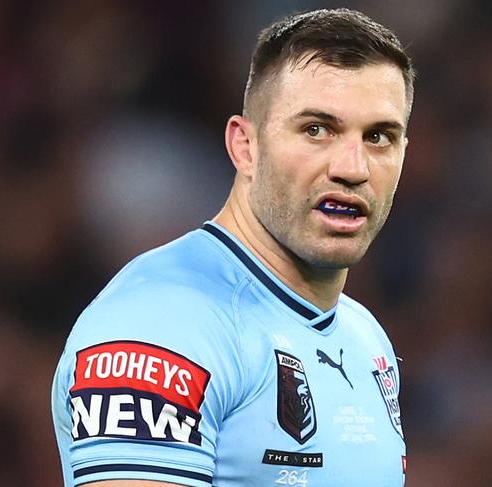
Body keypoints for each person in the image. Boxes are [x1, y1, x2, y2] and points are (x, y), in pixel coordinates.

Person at [52, 7, 415, 487]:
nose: (352, 167)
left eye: (378, 137)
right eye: (316, 129)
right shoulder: (161, 324)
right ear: (245, 146)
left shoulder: (365, 339)